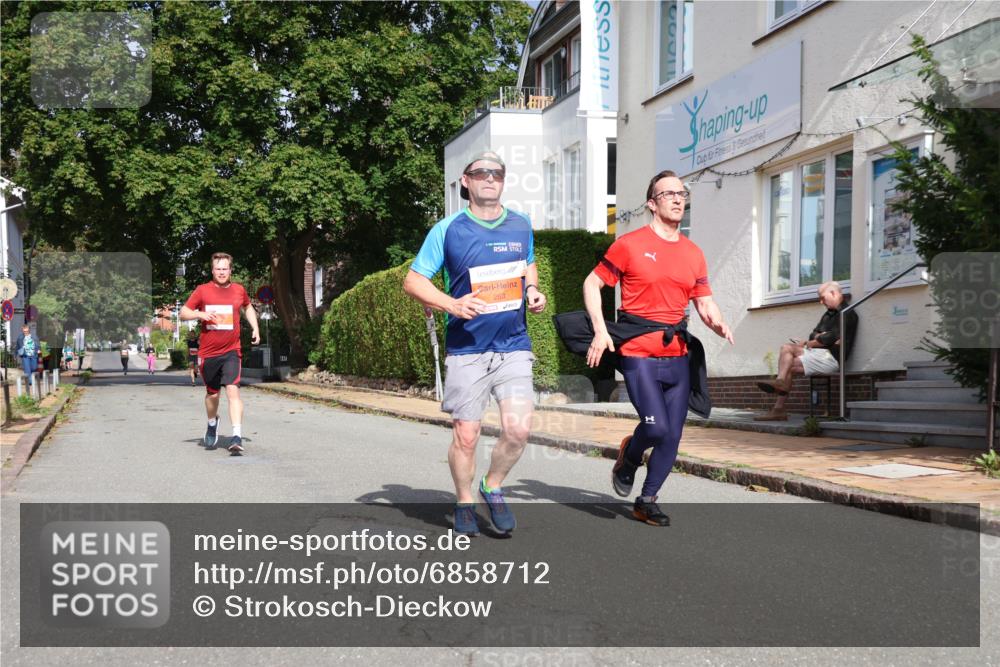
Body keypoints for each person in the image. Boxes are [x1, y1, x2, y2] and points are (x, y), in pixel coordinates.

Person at [403, 149, 547, 536]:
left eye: (497, 173)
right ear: (465, 181)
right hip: (467, 349)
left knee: (518, 431)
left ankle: (492, 486)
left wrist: (533, 289)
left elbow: (527, 262)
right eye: (481, 172)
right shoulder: (447, 229)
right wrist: (451, 303)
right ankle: (465, 498)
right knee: (466, 436)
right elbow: (413, 281)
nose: (490, 177)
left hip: (513, 345)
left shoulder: (520, 224)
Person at [583, 169, 734, 527]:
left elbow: (704, 301)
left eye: (682, 193)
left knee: (674, 434)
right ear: (652, 203)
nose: (678, 198)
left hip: (678, 355)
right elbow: (592, 283)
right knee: (655, 428)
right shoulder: (630, 245)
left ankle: (647, 499)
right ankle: (629, 456)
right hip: (638, 352)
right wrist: (601, 331)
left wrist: (717, 321)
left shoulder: (693, 253)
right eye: (669, 194)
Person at [180, 252, 260, 454]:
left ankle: (236, 435)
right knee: (212, 395)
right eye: (218, 268)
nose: (222, 272)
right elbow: (183, 313)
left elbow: (248, 307)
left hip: (232, 350)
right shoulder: (202, 290)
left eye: (225, 268)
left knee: (233, 389)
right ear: (212, 270)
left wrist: (255, 328)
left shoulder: (238, 290)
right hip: (208, 353)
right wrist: (200, 313)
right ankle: (212, 422)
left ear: (230, 270)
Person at [754, 281, 859, 421]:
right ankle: (778, 407)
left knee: (788, 354)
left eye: (822, 297)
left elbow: (829, 338)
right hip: (818, 354)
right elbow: (815, 334)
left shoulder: (848, 313)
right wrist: (820, 338)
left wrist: (815, 341)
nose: (821, 302)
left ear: (833, 293)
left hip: (832, 358)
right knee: (787, 357)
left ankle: (779, 387)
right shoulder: (828, 314)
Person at [15, 324, 38, 392]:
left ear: (29, 330)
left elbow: (38, 344)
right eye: (24, 331)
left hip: (33, 354)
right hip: (25, 355)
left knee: (34, 367)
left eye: (27, 331)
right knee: (27, 369)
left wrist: (38, 349)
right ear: (22, 331)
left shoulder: (34, 336)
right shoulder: (20, 337)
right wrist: (15, 355)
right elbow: (17, 347)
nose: (26, 332)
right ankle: (30, 382)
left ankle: (31, 378)